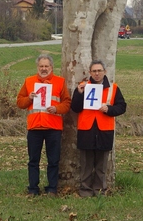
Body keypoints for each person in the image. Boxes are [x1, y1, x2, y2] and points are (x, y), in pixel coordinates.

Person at [17, 54, 71, 197]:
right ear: (37, 67)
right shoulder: (29, 81)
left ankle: (52, 188)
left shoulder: (60, 82)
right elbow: (20, 103)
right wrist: (28, 98)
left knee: (53, 160)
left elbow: (67, 103)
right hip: (35, 127)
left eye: (46, 66)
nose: (44, 68)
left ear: (51, 67)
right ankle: (33, 189)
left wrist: (57, 109)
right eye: (41, 66)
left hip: (53, 128)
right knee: (33, 161)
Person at [71, 60, 126, 197]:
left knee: (101, 165)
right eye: (94, 71)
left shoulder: (113, 88)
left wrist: (109, 109)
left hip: (104, 131)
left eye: (99, 70)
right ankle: (85, 190)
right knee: (86, 164)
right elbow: (75, 108)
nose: (96, 73)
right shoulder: (82, 87)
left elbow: (122, 107)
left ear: (104, 72)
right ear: (90, 73)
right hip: (86, 130)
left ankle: (99, 190)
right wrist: (78, 94)